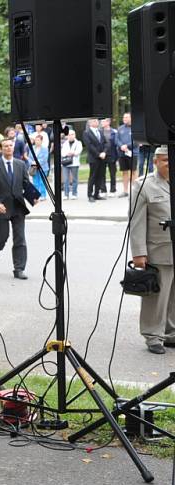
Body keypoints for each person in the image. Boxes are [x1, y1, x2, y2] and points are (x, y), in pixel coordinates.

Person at [129, 146, 173, 355]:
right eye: (166, 160)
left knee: (173, 297)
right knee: (156, 297)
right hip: (159, 251)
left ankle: (170, 333)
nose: (169, 164)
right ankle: (152, 335)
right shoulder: (144, 185)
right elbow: (136, 222)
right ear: (155, 162)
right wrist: (138, 253)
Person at [0, 138, 38, 280]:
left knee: (20, 238)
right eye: (6, 146)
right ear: (1, 149)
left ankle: (19, 269)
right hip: (2, 208)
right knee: (1, 238)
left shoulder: (21, 164)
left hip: (18, 207)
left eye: (11, 146)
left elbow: (26, 183)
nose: (9, 148)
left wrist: (33, 196)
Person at [83, 118, 108, 202]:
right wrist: (98, 154)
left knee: (100, 176)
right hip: (93, 158)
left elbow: (106, 143)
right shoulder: (86, 133)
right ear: (90, 123)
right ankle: (90, 195)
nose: (97, 122)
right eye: (94, 121)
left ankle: (96, 194)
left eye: (97, 120)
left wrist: (104, 152)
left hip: (102, 158)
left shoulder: (100, 131)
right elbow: (89, 146)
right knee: (92, 177)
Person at [117, 112, 138, 198]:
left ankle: (135, 191)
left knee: (133, 172)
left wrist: (127, 146)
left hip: (133, 153)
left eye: (126, 117)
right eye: (123, 118)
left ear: (131, 118)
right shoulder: (120, 128)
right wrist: (121, 146)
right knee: (124, 172)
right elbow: (117, 140)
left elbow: (137, 141)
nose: (124, 119)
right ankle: (125, 191)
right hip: (122, 153)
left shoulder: (135, 128)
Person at [61, 130, 83, 200]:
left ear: (75, 135)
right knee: (66, 179)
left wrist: (72, 153)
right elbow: (62, 153)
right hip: (66, 163)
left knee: (74, 179)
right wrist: (69, 153)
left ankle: (74, 193)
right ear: (67, 136)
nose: (71, 136)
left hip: (74, 163)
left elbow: (79, 151)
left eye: (72, 134)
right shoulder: (64, 143)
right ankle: (66, 194)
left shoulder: (78, 143)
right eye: (69, 135)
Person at [102, 117, 119, 197]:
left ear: (108, 122)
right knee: (102, 174)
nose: (102, 123)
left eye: (104, 121)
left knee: (112, 174)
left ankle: (113, 190)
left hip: (112, 155)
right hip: (102, 155)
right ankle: (103, 190)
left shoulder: (114, 132)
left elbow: (116, 144)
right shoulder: (100, 132)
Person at [30, 134, 48, 200]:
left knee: (42, 182)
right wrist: (32, 162)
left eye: (38, 140)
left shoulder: (45, 149)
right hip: (34, 168)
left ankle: (43, 195)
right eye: (36, 140)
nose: (37, 141)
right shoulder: (32, 148)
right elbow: (29, 157)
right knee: (35, 182)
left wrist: (37, 162)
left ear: (41, 141)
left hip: (43, 168)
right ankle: (36, 195)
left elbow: (44, 158)